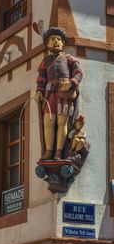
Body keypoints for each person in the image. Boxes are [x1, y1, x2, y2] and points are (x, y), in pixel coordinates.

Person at [34, 27, 83, 160]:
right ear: (48, 44)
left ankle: (58, 152)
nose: (56, 41)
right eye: (52, 39)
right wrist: (39, 91)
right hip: (50, 94)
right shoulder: (45, 62)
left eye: (59, 39)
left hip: (63, 93)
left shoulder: (69, 59)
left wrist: (71, 83)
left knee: (62, 123)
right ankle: (49, 151)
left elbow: (78, 72)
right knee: (48, 123)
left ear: (63, 43)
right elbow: (41, 79)